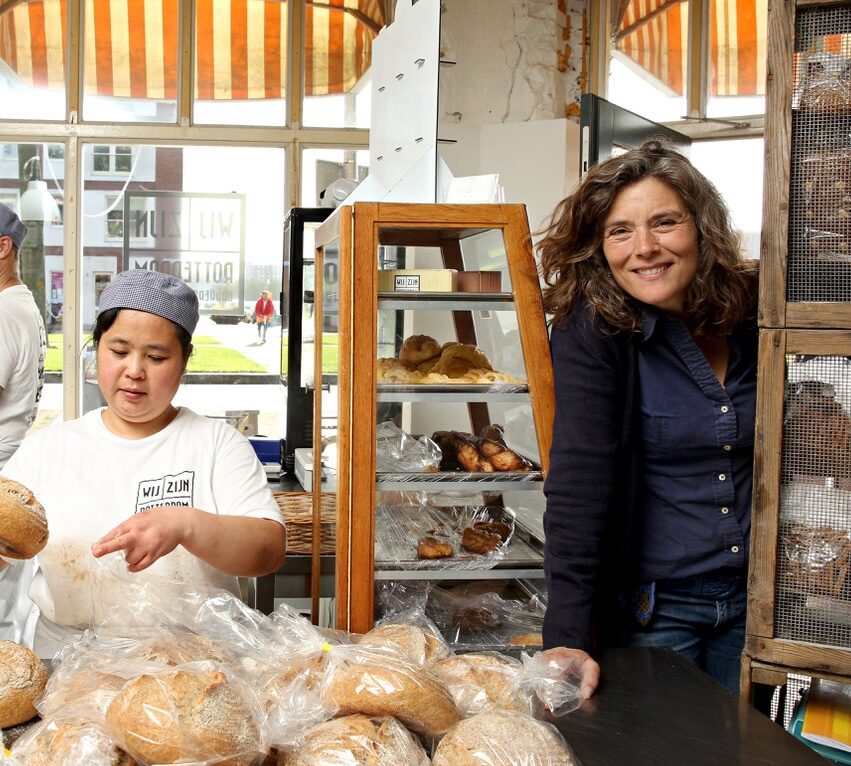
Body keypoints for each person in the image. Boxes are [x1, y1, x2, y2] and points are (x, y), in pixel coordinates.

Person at [537, 139, 758, 697]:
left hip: (761, 603)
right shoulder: (592, 331)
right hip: (655, 613)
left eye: (664, 223)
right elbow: (578, 488)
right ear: (597, 246)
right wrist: (566, 636)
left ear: (701, 228)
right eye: (620, 231)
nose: (645, 248)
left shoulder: (754, 312)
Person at [2, 269, 286, 657]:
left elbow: (268, 551)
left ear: (184, 360)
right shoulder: (47, 451)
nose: (134, 371)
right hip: (69, 668)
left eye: (155, 357)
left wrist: (186, 524)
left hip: (197, 668)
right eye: (118, 351)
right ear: (97, 349)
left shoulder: (217, 445)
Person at [0, 204, 46, 645]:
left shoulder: (3, 314)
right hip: (10, 471)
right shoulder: (23, 306)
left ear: (2, 246)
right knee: (6, 612)